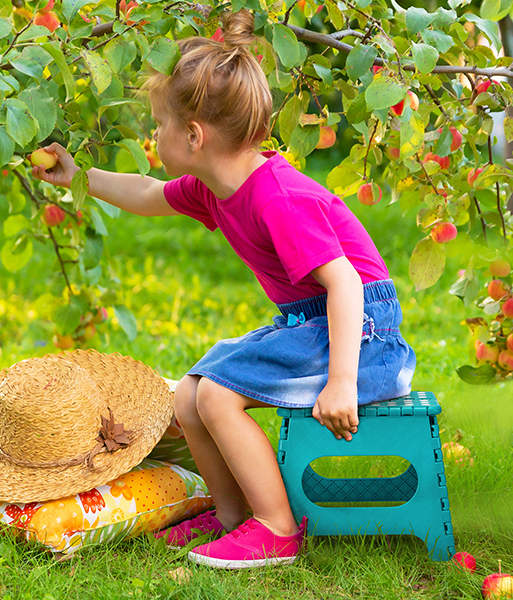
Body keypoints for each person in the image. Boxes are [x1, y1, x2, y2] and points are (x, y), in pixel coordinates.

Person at [28, 10, 415, 569]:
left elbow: (347, 284)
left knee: (216, 395)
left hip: (361, 334)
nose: (152, 135)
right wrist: (78, 178)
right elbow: (147, 191)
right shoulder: (216, 187)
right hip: (312, 322)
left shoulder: (277, 197)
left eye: (158, 124)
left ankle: (277, 529)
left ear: (193, 135)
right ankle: (235, 518)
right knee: (188, 395)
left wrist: (341, 383)